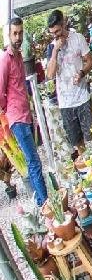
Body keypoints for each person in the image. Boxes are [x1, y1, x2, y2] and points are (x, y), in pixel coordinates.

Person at [0, 18, 48, 206]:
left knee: (33, 161)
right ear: (9, 34)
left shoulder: (19, 57)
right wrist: (8, 110)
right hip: (16, 118)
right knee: (34, 162)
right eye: (15, 33)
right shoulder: (5, 59)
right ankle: (45, 204)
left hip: (25, 116)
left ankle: (42, 202)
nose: (18, 37)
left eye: (20, 33)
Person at [46, 9, 92, 150]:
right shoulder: (51, 47)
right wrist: (55, 50)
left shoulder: (77, 38)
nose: (55, 35)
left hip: (82, 97)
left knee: (91, 136)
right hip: (65, 103)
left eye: (57, 31)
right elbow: (50, 75)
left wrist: (81, 72)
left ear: (63, 24)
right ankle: (88, 169)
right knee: (77, 142)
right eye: (52, 33)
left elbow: (90, 61)